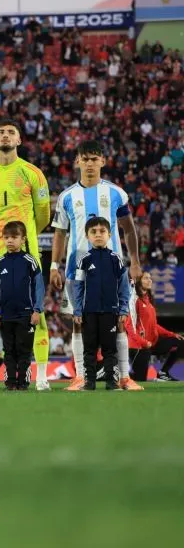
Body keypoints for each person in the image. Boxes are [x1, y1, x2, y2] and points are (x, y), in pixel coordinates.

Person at [50, 140, 144, 391]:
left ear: (102, 161)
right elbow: (59, 233)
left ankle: (124, 377)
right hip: (76, 271)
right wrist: (53, 266)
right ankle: (81, 375)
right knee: (78, 322)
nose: (90, 164)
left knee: (121, 320)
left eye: (94, 159)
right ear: (77, 161)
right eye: (85, 159)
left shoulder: (116, 193)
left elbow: (129, 229)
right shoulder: (67, 196)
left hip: (113, 270)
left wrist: (134, 261)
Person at [0, 120, 51, 391]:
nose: (5, 136)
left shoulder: (33, 173)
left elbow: (43, 215)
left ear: (19, 140)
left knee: (36, 312)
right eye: (1, 132)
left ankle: (41, 378)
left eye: (11, 132)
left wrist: (26, 235)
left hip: (26, 253)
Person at [71, 217, 131, 390]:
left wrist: (123, 308)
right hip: (89, 312)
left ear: (110, 235)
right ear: (87, 236)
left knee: (109, 349)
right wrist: (77, 311)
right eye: (93, 232)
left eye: (102, 231)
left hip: (110, 311)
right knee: (89, 349)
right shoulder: (84, 260)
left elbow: (124, 287)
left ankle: (112, 382)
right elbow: (78, 287)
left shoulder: (116, 259)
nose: (98, 235)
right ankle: (89, 383)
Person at [0, 221, 45, 391]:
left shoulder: (30, 261)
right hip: (6, 315)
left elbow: (39, 287)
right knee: (9, 350)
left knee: (24, 350)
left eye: (14, 237)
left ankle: (23, 382)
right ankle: (10, 381)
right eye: (6, 237)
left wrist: (37, 310)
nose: (9, 241)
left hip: (26, 315)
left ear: (23, 239)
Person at [126, 272, 184, 381]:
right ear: (139, 282)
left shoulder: (149, 300)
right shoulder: (134, 300)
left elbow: (154, 325)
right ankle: (121, 376)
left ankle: (163, 373)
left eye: (150, 278)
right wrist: (144, 343)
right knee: (140, 380)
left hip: (152, 343)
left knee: (179, 341)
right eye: (146, 278)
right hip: (139, 346)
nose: (149, 280)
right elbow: (129, 327)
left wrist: (172, 334)